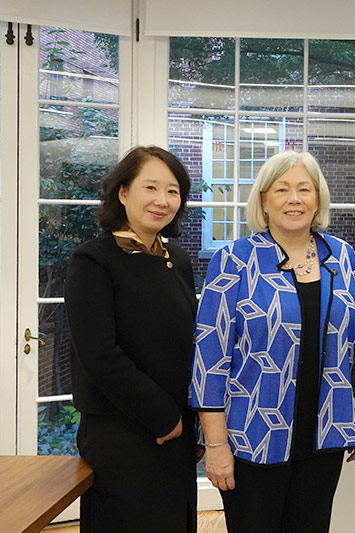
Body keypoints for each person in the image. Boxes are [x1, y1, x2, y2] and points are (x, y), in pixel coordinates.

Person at [189, 151, 355, 533]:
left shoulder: (344, 258)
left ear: (318, 199)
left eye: (305, 189)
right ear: (264, 200)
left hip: (324, 435)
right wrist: (216, 446)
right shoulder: (234, 260)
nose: (294, 199)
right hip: (252, 436)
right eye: (282, 189)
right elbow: (209, 357)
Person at [65, 146, 198, 532]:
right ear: (123, 192)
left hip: (175, 432)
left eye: (173, 191)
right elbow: (100, 354)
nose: (162, 200)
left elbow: (185, 344)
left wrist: (191, 421)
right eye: (150, 187)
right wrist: (164, 416)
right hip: (123, 434)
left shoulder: (178, 260)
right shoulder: (93, 260)